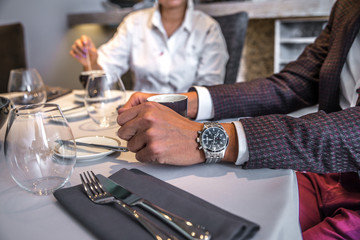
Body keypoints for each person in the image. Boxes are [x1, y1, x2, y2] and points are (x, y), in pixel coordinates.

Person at [116, 0, 360, 238]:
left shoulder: (206, 25)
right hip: (327, 175)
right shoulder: (347, 5)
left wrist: (206, 138)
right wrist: (181, 102)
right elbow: (292, 84)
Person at [70, 0, 228, 93]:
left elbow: (210, 91)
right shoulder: (134, 22)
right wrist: (91, 62)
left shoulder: (208, 28)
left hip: (188, 120)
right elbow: (103, 80)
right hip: (140, 115)